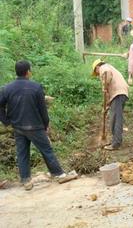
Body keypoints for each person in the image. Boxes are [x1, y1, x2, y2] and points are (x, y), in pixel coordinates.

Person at [0, 61, 76, 191]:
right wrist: (45, 124)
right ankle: (59, 174)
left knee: (22, 153)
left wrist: (6, 121)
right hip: (35, 126)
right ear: (28, 71)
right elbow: (42, 109)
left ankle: (26, 181)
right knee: (46, 150)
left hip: (18, 126)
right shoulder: (36, 87)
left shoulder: (7, 88)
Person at [92, 60, 129, 151]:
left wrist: (104, 85)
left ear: (97, 67)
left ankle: (116, 143)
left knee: (116, 119)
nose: (97, 75)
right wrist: (107, 106)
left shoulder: (103, 68)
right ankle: (114, 141)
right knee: (114, 118)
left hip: (118, 93)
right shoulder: (110, 67)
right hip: (120, 93)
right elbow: (109, 95)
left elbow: (106, 72)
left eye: (96, 72)